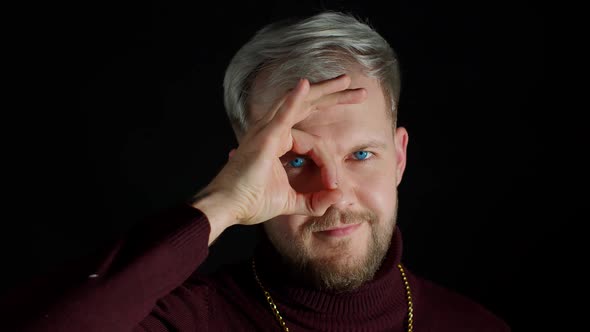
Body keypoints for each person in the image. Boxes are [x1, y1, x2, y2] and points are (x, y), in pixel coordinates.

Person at [7, 11, 510, 332]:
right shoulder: (188, 321)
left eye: (361, 155)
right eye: (296, 161)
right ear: (247, 172)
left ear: (398, 158)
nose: (332, 194)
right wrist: (219, 205)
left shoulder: (474, 325)